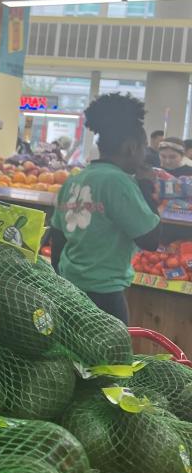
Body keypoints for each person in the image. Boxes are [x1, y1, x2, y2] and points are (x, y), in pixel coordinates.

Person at [50, 93, 160, 324]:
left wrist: (62, 283)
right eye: (144, 148)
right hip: (106, 296)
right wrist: (146, 186)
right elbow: (150, 239)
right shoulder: (119, 182)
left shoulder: (73, 180)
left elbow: (57, 239)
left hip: (69, 289)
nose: (144, 155)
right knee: (110, 358)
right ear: (131, 147)